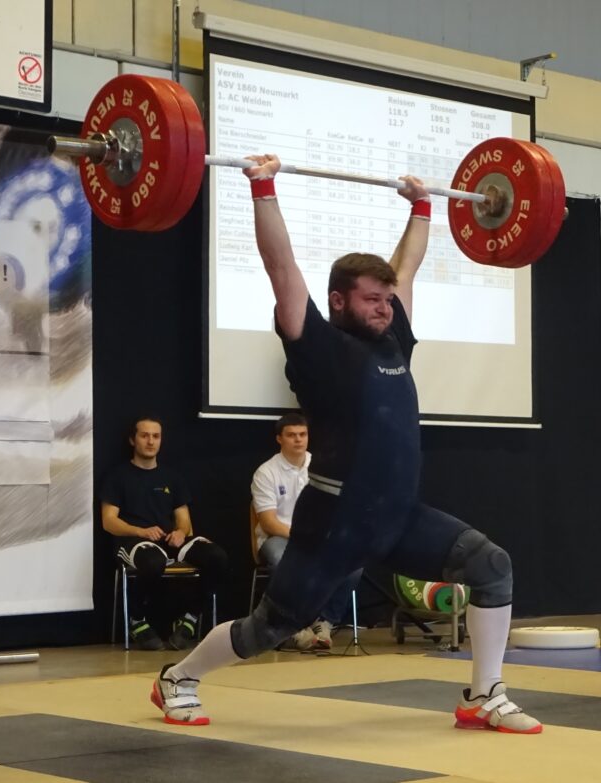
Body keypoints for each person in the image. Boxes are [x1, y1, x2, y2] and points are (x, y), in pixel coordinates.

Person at [150, 155, 542, 735]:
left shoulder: (395, 343)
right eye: (371, 299)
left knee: (491, 567)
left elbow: (406, 268)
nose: (385, 307)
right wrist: (263, 188)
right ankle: (176, 678)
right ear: (338, 301)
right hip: (334, 525)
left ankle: (484, 694)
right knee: (267, 629)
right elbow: (279, 268)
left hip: (397, 517)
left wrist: (421, 206)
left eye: (387, 299)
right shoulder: (317, 349)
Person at [101, 417, 229, 650]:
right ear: (133, 440)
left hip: (170, 540)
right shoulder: (117, 476)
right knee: (153, 562)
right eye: (145, 435)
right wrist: (139, 530)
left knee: (217, 557)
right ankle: (137, 619)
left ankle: (190, 618)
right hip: (133, 540)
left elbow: (184, 519)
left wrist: (181, 532)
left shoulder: (173, 477)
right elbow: (108, 521)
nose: (151, 441)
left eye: (156, 436)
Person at [252, 412, 361, 651]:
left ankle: (325, 622)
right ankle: (294, 625)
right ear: (279, 439)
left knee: (353, 561)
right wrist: (303, 537)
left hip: (318, 537)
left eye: (303, 434)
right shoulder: (266, 472)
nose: (298, 440)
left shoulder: (322, 466)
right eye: (291, 435)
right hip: (277, 537)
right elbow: (269, 522)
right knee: (285, 561)